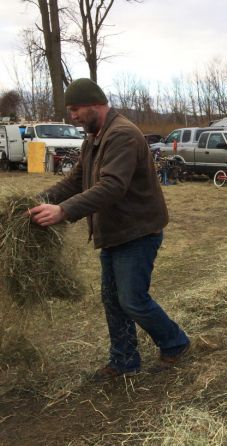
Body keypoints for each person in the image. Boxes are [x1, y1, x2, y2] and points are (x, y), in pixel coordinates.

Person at [29, 78, 190, 380]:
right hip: (115, 231)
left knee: (132, 300)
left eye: (76, 109)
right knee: (112, 299)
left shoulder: (123, 135)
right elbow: (75, 181)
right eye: (70, 110)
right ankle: (124, 360)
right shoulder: (94, 137)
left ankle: (176, 342)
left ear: (95, 104)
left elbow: (112, 187)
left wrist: (63, 211)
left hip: (137, 231)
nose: (72, 116)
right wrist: (37, 201)